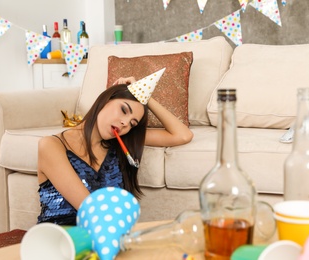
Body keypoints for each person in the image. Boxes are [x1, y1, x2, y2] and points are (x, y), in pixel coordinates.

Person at [37, 74, 193, 225]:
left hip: (105, 238)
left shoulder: (121, 142)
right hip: (60, 241)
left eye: (132, 124)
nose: (125, 123)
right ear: (105, 100)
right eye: (124, 110)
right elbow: (91, 210)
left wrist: (147, 98)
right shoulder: (51, 145)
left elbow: (183, 135)